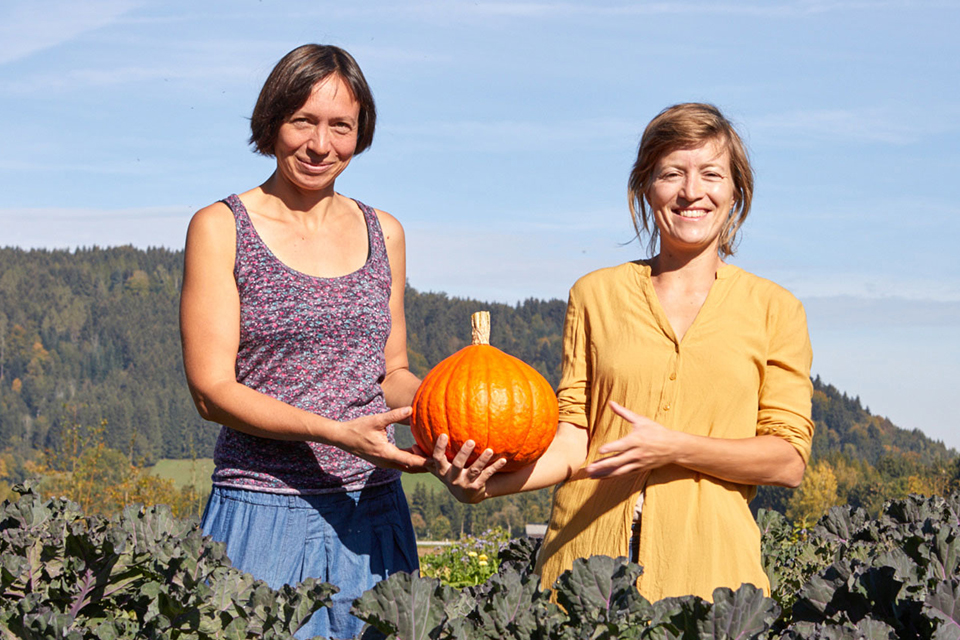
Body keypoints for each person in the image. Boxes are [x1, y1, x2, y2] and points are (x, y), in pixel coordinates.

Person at [427, 103, 814, 601]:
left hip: (711, 576)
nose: (691, 191)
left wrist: (674, 446)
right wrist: (483, 488)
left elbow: (786, 461)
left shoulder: (775, 309)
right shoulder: (595, 295)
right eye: (672, 173)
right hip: (583, 570)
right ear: (645, 189)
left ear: (735, 191)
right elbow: (574, 442)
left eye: (711, 175)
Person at [179, 44, 425, 639]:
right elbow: (212, 391)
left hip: (374, 510)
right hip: (261, 513)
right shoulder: (222, 226)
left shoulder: (383, 230)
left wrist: (445, 406)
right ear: (272, 123)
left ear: (360, 130)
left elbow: (391, 369)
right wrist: (333, 431)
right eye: (303, 122)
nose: (321, 145)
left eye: (341, 125)